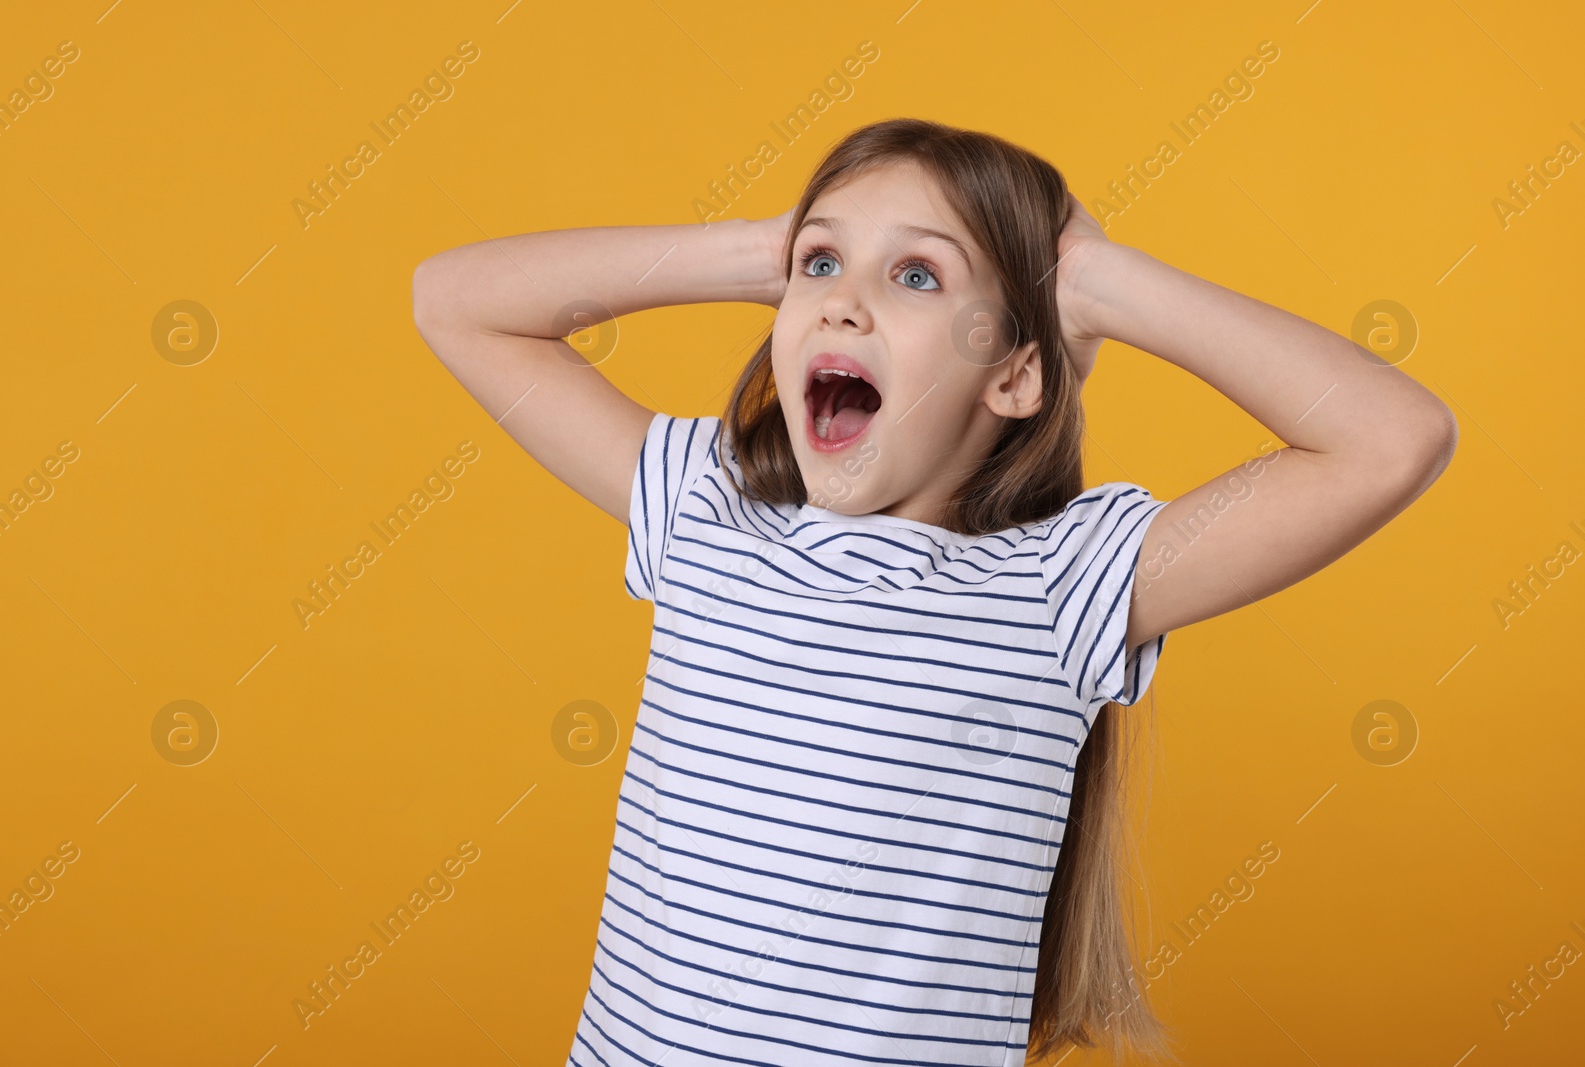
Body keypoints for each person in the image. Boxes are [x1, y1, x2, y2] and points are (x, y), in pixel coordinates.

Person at [412, 117, 1456, 1066]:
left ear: (1012, 373)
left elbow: (1387, 439)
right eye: (820, 263)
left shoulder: (1065, 583)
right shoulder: (708, 507)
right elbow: (453, 302)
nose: (843, 300)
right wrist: (758, 251)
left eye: (917, 276)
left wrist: (1096, 284)